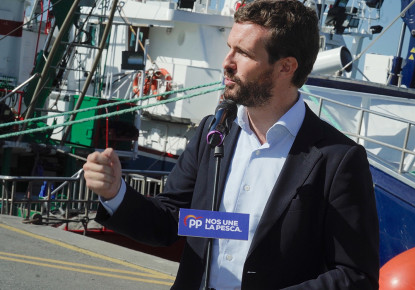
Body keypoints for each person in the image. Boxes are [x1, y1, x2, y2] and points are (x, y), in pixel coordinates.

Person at [82, 0, 379, 289]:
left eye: (244, 53)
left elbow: (355, 277)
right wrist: (115, 193)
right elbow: (172, 221)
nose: (227, 63)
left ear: (286, 67)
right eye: (229, 48)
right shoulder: (213, 134)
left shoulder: (337, 159)